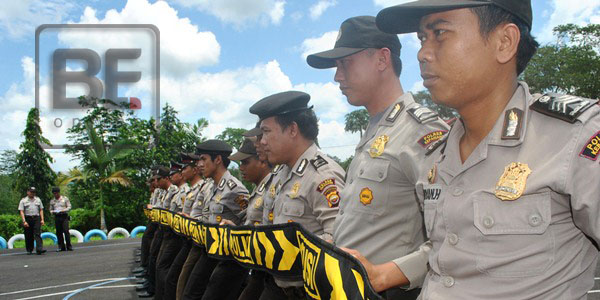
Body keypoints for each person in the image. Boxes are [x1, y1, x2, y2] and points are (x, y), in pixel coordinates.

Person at [375, 0, 600, 298]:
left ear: (504, 42)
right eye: (421, 38)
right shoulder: (437, 153)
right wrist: (383, 273)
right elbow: (450, 246)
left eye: (440, 33)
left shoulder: (573, 137)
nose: (422, 53)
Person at [306, 16, 450, 298]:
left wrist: (385, 275)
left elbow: (453, 238)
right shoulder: (374, 132)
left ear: (383, 59)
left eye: (345, 62)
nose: (337, 76)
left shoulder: (420, 132)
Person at [249, 91, 345, 300]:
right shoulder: (281, 172)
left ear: (292, 129)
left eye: (266, 132)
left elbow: (340, 241)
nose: (262, 142)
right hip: (275, 285)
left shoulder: (321, 175)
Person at [182, 139, 249, 300]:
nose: (199, 164)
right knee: (191, 291)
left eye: (203, 159)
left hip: (227, 257)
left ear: (217, 160)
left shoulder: (234, 189)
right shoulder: (213, 186)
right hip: (210, 250)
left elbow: (250, 221)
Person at [223, 138, 273, 300]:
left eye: (245, 162)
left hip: (269, 269)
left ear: (262, 161)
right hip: (255, 264)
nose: (241, 168)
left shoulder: (272, 189)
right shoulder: (258, 189)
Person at [18, 187, 46, 255]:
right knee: (28, 235)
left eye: (34, 192)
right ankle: (29, 249)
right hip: (28, 218)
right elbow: (21, 211)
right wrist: (24, 221)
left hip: (36, 218)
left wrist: (42, 219)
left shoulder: (38, 199)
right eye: (31, 192)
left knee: (37, 233)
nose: (32, 193)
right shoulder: (23, 200)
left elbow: (41, 209)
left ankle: (39, 249)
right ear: (28, 192)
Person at [49, 186, 73, 252]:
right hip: (57, 216)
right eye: (54, 193)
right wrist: (52, 212)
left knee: (66, 231)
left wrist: (63, 210)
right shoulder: (52, 201)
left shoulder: (64, 199)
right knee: (59, 232)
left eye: (56, 193)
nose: (55, 194)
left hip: (64, 216)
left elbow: (69, 206)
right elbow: (50, 209)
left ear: (59, 193)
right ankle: (61, 246)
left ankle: (69, 246)